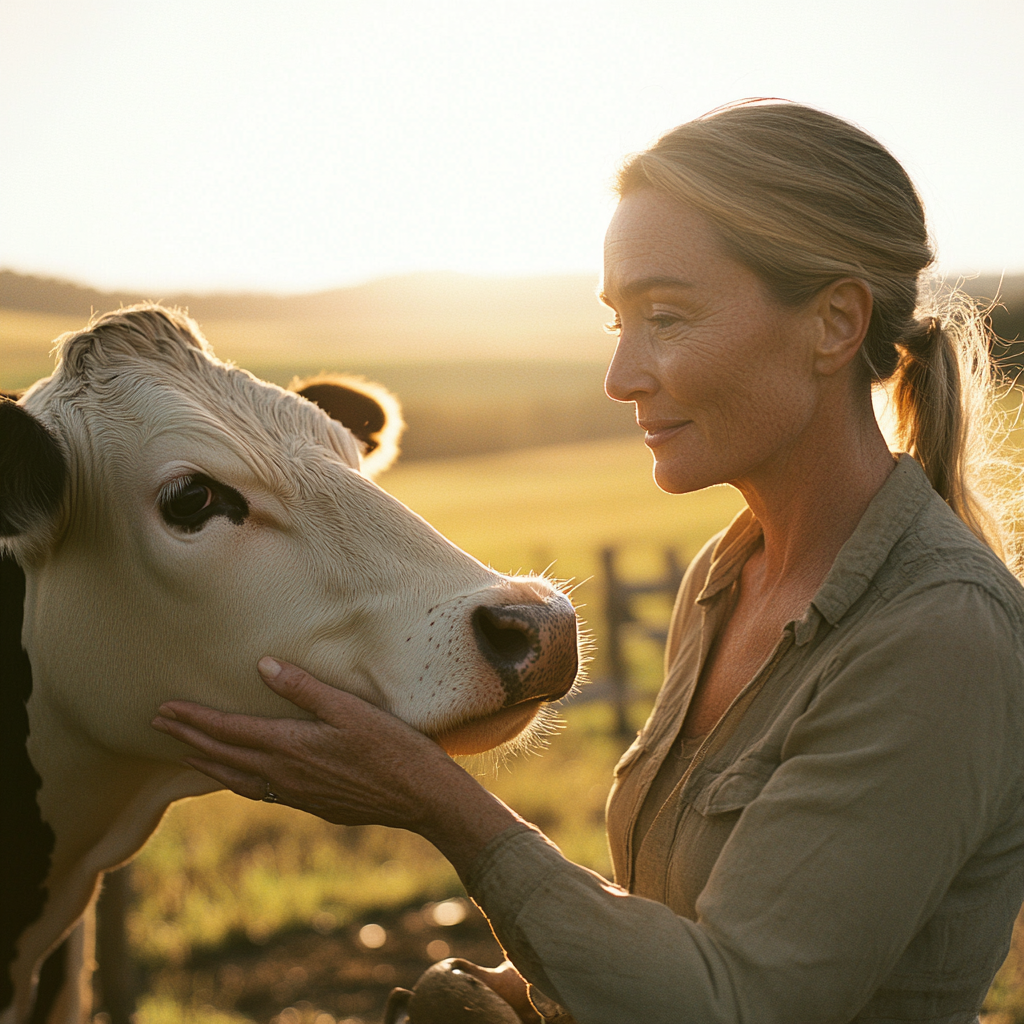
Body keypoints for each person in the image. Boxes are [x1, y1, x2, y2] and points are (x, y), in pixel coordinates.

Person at [151, 100, 1024, 1024]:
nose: (623, 376)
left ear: (833, 323)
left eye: (668, 318)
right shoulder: (726, 580)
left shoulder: (941, 633)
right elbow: (685, 937)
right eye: (618, 323)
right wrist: (550, 993)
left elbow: (738, 1004)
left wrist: (441, 804)